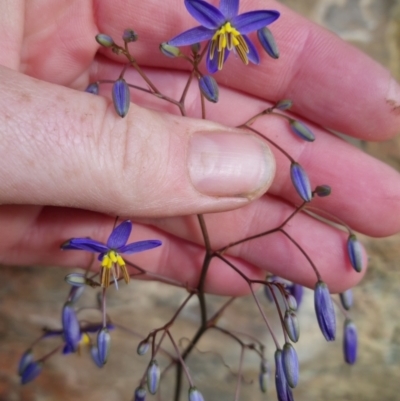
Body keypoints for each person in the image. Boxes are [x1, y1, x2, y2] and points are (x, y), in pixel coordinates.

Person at [1, 0, 399, 295]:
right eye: (224, 32)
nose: (112, 262)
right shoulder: (192, 44)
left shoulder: (218, 40)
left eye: (231, 33)